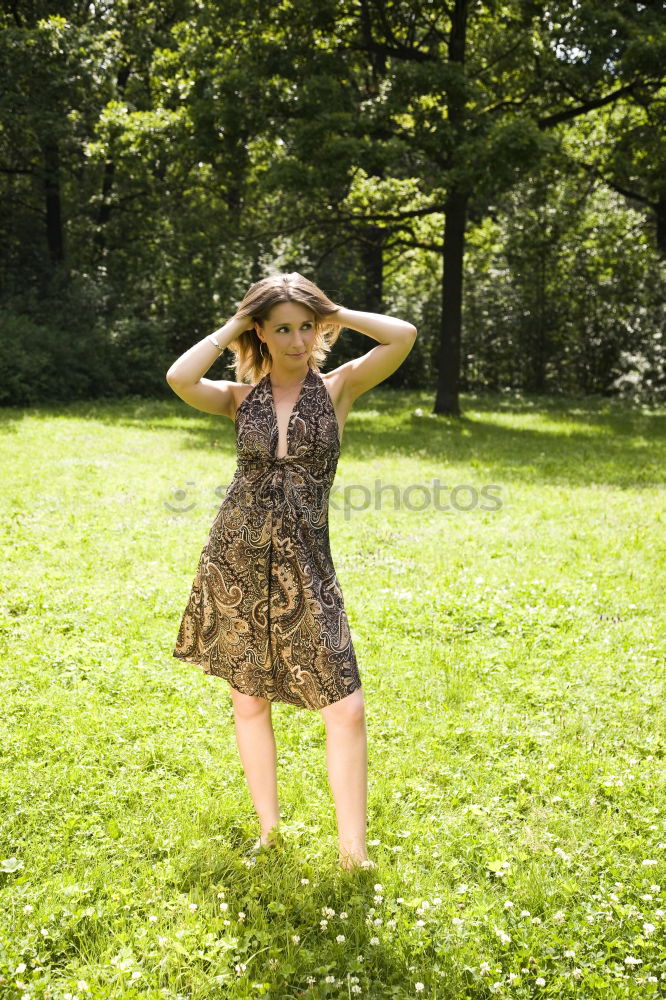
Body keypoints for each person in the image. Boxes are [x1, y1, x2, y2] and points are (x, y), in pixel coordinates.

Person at [166, 272, 417, 871]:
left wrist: (334, 311)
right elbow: (179, 378)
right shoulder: (236, 397)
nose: (299, 340)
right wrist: (234, 328)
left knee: (346, 706)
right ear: (261, 331)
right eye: (283, 328)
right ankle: (269, 832)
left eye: (307, 327)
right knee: (249, 700)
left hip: (307, 559)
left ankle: (353, 853)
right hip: (237, 556)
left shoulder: (337, 388)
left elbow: (402, 336)